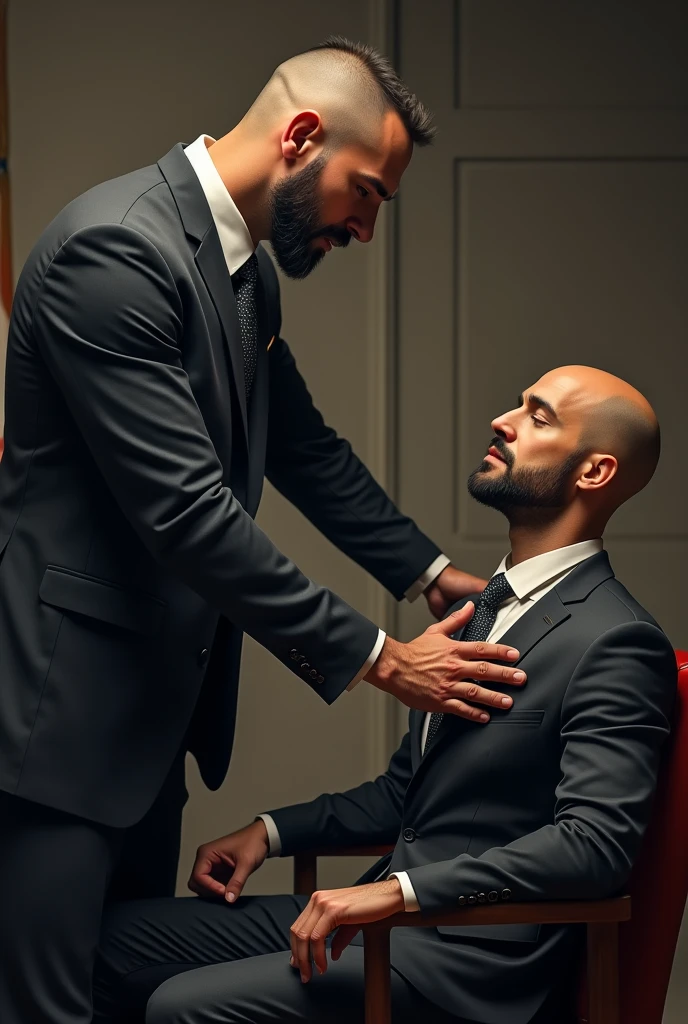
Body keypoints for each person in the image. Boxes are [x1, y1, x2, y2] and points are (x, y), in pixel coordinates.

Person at [0, 37, 534, 1024]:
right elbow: (187, 514)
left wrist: (426, 572)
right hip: (57, 723)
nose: (366, 228)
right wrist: (382, 658)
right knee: (43, 1006)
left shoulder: (245, 271)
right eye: (366, 193)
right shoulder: (115, 251)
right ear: (298, 138)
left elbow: (300, 446)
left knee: (114, 986)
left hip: (144, 720)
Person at [94, 365, 677, 1024]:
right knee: (107, 945)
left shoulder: (616, 641)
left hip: (468, 964)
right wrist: (272, 832)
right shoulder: (488, 605)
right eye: (518, 404)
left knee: (177, 1007)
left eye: (538, 416)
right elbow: (410, 794)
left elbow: (593, 846)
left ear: (593, 473)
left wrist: (400, 893)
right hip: (391, 921)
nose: (503, 420)